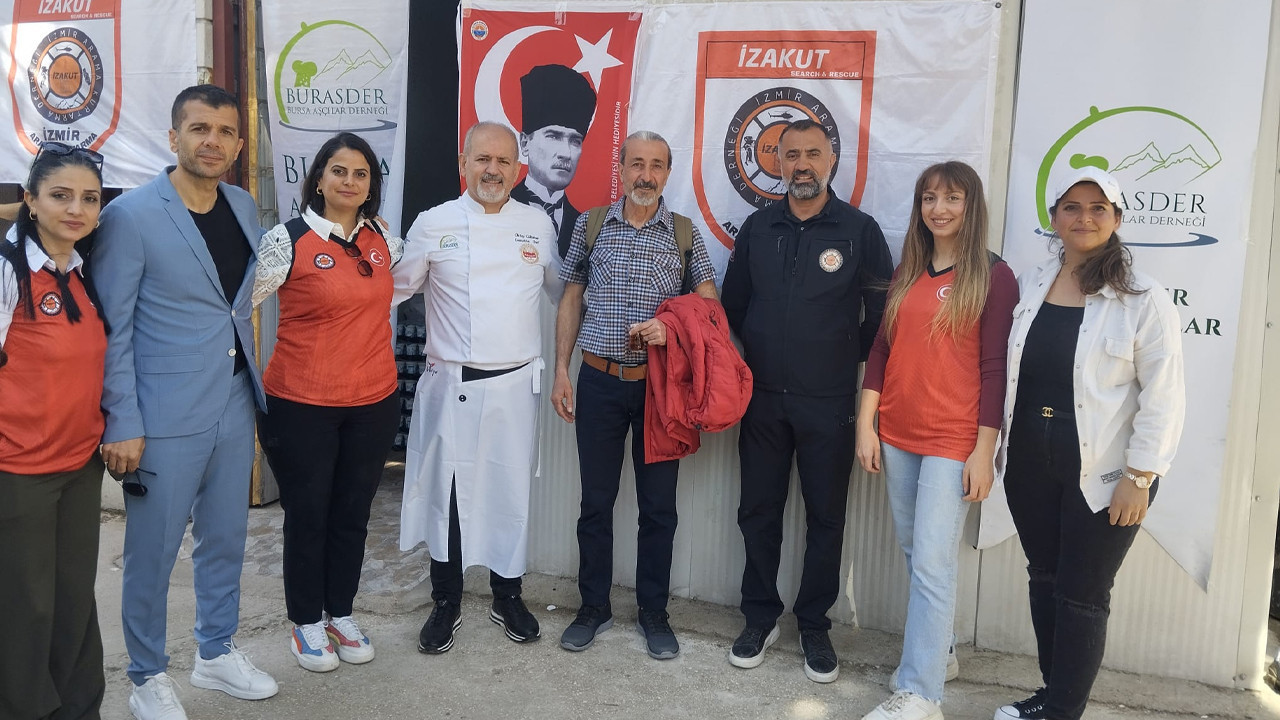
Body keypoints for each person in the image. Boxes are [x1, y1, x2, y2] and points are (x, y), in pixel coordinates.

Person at [92, 84, 278, 720]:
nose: (212, 141)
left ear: (238, 144)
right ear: (174, 137)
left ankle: (216, 650)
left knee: (226, 537)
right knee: (153, 552)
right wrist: (122, 419)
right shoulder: (131, 216)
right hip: (162, 413)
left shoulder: (242, 204)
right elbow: (113, 328)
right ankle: (146, 676)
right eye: (199, 129)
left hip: (233, 399)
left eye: (224, 131)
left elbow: (237, 301)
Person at [992, 167, 1184, 720]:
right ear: (1054, 218)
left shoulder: (1143, 298)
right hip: (1030, 459)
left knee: (1082, 594)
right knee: (1045, 578)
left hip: (1106, 470)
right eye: (1072, 207)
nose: (1085, 217)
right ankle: (1053, 695)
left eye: (1099, 208)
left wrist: (1140, 477)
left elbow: (1165, 396)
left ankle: (1063, 713)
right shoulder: (1032, 283)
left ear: (1117, 219)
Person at [721, 118, 893, 683]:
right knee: (758, 512)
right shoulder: (758, 227)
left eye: (812, 153)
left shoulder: (859, 230)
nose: (801, 164)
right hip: (763, 401)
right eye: (790, 154)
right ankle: (759, 617)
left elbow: (880, 319)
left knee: (826, 518)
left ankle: (814, 625)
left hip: (830, 402)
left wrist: (837, 355)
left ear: (830, 159)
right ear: (777, 162)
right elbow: (734, 306)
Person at [855, 162, 1018, 720]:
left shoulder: (995, 276)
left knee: (930, 561)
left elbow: (995, 369)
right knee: (916, 552)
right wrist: (867, 424)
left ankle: (921, 693)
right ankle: (940, 651)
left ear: (971, 206)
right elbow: (882, 348)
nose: (939, 209)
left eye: (952, 198)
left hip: (954, 439)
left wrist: (984, 450)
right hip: (898, 432)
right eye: (929, 198)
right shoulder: (908, 269)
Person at [394, 121, 563, 655]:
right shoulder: (433, 222)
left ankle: (507, 595)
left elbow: (564, 293)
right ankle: (446, 599)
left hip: (515, 386)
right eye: (482, 159)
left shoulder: (537, 224)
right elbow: (391, 291)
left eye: (503, 161)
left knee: (507, 494)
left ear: (518, 169)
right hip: (452, 385)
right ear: (463, 164)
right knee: (448, 495)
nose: (493, 170)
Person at [550, 130, 719, 660]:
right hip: (598, 382)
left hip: (659, 391)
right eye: (637, 164)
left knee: (658, 508)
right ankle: (593, 607)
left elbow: (710, 310)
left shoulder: (684, 234)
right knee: (595, 503)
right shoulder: (592, 224)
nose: (646, 175)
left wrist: (672, 328)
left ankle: (653, 613)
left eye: (657, 165)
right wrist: (561, 371)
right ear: (621, 169)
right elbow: (571, 297)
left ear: (668, 172)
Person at [252, 132, 403, 673]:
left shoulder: (383, 239)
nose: (349, 182)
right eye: (338, 171)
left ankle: (340, 612)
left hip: (373, 402)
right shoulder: (285, 240)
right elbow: (237, 307)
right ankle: (306, 622)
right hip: (302, 404)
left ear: (371, 185)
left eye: (361, 174)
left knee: (352, 515)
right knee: (309, 515)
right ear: (318, 178)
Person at [0, 143, 109, 720]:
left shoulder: (82, 272)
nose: (76, 209)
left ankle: (78, 709)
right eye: (61, 196)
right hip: (19, 470)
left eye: (89, 199)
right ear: (30, 199)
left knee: (73, 601)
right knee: (26, 606)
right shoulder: (7, 271)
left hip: (79, 464)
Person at [508, 64, 596, 259]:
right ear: (525, 143)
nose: (566, 153)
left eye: (575, 141)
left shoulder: (586, 226)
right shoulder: (499, 211)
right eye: (553, 136)